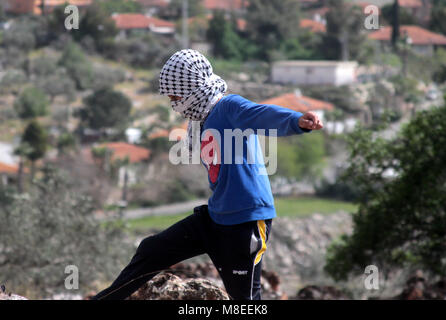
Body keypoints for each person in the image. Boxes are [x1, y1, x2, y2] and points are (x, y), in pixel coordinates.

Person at [92, 49, 323, 300]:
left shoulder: (228, 107)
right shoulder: (200, 119)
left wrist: (297, 120)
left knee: (245, 301)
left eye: (175, 94)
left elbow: (260, 114)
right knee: (152, 249)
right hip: (215, 219)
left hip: (245, 222)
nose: (173, 102)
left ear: (191, 87)